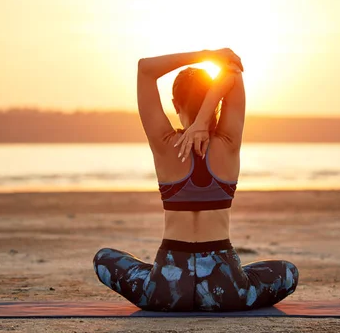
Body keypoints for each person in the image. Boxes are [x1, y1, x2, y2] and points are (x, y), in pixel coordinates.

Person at [93, 48, 299, 311]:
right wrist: (204, 118)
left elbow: (145, 69)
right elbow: (233, 71)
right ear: (217, 101)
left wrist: (205, 54)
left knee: (104, 258)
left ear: (175, 104)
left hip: (166, 289)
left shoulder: (165, 144)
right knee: (287, 271)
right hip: (225, 289)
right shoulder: (229, 143)